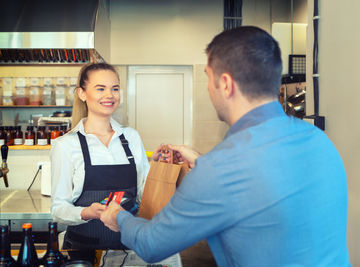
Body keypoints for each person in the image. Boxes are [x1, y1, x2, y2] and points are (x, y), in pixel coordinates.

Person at [100, 26, 351, 266]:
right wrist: (200, 160)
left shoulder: (220, 170)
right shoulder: (317, 139)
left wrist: (118, 217)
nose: (209, 89)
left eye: (209, 79)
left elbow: (151, 244)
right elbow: (263, 182)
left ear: (226, 84)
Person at [50, 63, 149, 262]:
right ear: (82, 93)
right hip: (83, 253)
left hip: (131, 251)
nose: (110, 95)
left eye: (115, 88)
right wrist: (87, 212)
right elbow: (58, 209)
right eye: (101, 88)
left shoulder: (131, 137)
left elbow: (144, 193)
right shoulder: (66, 145)